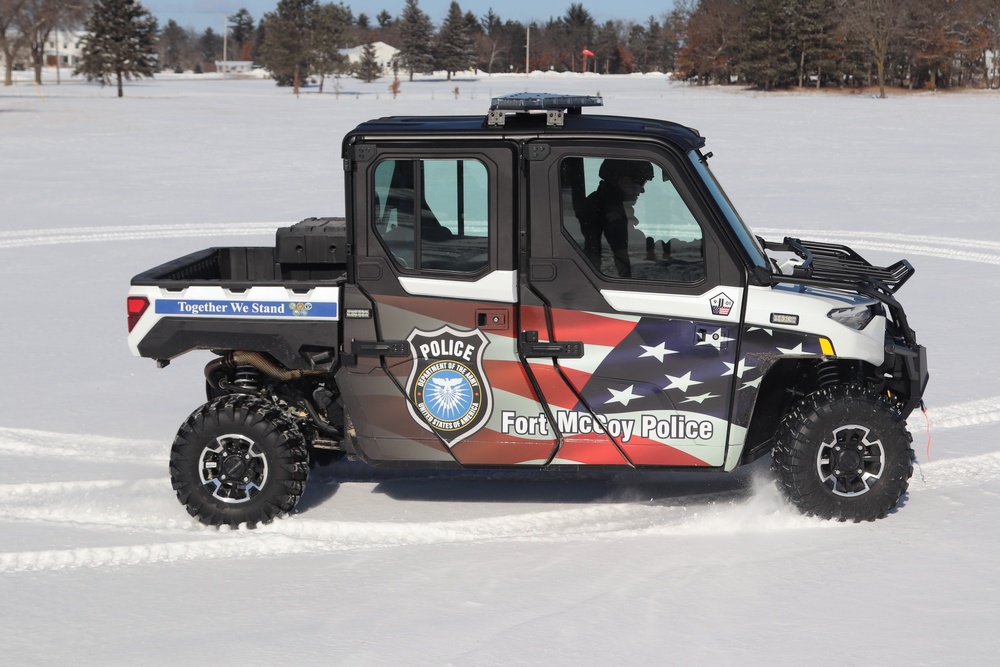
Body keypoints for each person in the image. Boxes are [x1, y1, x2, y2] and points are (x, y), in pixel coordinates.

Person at [577, 159, 654, 278]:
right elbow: (620, 254)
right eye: (642, 183)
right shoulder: (611, 210)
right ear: (626, 181)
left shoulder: (595, 203)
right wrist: (627, 283)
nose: (642, 190)